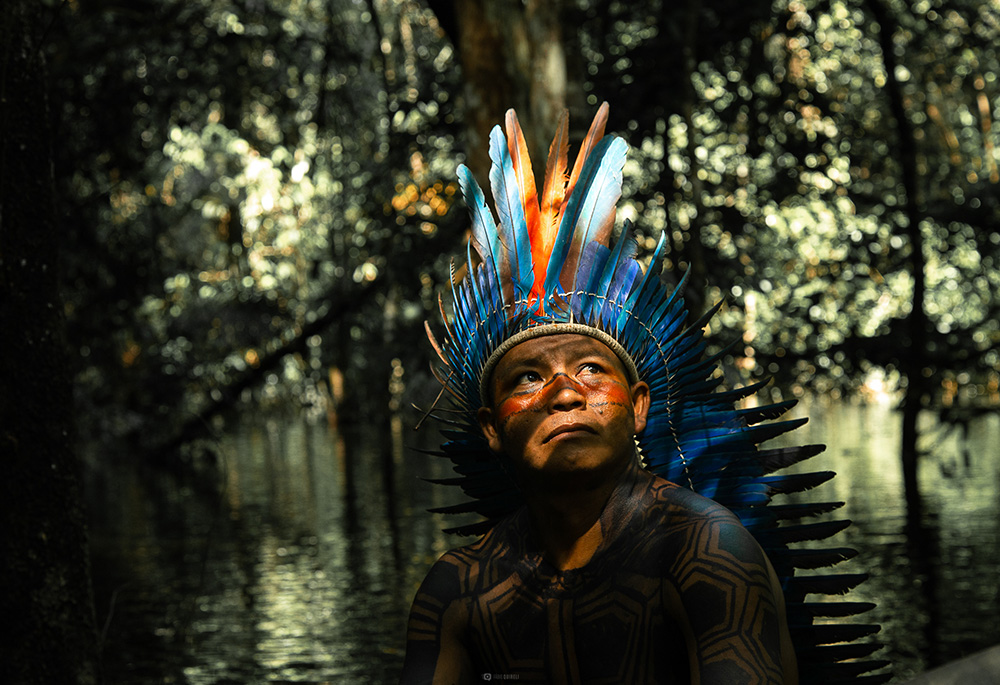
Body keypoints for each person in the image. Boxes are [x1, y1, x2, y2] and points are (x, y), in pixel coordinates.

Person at [401, 104, 800, 683]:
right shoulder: (457, 587)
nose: (564, 392)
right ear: (491, 428)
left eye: (590, 369)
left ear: (638, 405)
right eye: (528, 379)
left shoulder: (706, 552)